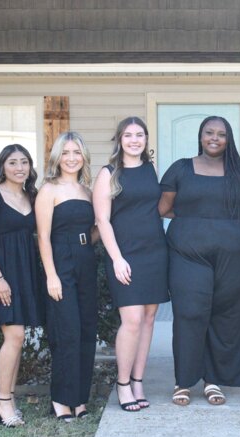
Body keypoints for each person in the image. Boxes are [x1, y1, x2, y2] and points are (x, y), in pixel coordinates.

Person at [158, 116, 240, 406]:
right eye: (209, 133)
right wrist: (196, 222)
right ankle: (184, 381)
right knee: (190, 312)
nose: (214, 138)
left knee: (225, 315)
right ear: (200, 136)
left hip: (237, 257)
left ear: (230, 139)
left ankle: (213, 380)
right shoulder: (181, 168)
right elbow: (164, 208)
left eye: (221, 134)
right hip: (188, 254)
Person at [93, 117, 169, 412]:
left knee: (149, 319)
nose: (134, 140)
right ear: (119, 139)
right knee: (132, 320)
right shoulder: (108, 173)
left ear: (146, 140)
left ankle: (138, 381)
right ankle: (122, 384)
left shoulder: (151, 169)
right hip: (125, 254)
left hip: (155, 251)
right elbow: (102, 220)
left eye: (140, 135)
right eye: (128, 135)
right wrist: (117, 258)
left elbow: (157, 208)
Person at [0, 144, 42, 428]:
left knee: (19, 337)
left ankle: (8, 398)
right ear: (2, 166)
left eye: (24, 162)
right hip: (2, 274)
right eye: (13, 162)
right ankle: (3, 400)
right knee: (13, 336)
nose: (19, 168)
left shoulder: (31, 195)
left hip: (26, 272)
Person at [35, 131, 98, 422]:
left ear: (83, 157)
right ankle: (61, 399)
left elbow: (96, 231)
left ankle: (80, 400)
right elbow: (43, 237)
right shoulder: (49, 189)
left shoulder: (88, 190)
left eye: (77, 153)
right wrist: (51, 275)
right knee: (67, 331)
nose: (71, 158)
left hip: (87, 260)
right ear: (57, 157)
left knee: (86, 332)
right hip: (61, 262)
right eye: (66, 152)